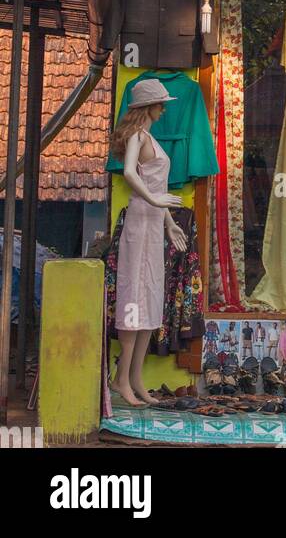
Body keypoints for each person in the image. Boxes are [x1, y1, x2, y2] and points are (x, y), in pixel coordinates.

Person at [108, 79, 187, 406]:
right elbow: (129, 173)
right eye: (160, 103)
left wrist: (168, 222)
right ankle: (120, 380)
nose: (164, 108)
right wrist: (156, 203)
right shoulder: (137, 137)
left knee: (149, 300)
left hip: (154, 225)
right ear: (146, 107)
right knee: (134, 299)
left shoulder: (149, 137)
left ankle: (136, 380)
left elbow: (157, 184)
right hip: (140, 225)